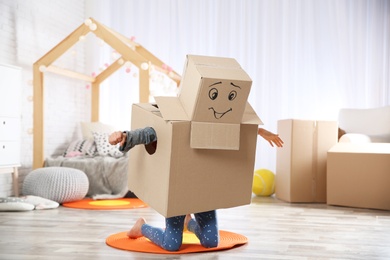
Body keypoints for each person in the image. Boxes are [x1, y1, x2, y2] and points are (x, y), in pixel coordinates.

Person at [108, 126, 283, 251]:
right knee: (172, 245)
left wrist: (259, 131)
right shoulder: (173, 122)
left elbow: (235, 126)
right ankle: (142, 227)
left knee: (211, 242)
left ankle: (188, 222)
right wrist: (124, 136)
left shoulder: (213, 124)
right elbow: (147, 133)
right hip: (177, 194)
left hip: (202, 193)